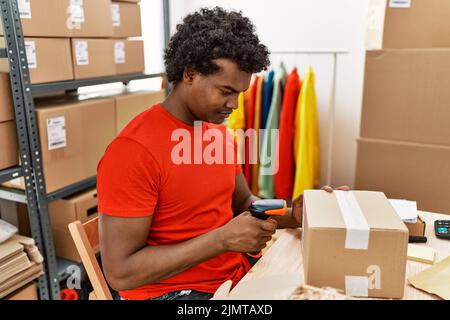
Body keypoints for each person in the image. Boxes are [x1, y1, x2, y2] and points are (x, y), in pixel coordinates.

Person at [97, 7, 349, 300]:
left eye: (240, 93)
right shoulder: (133, 151)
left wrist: (291, 214)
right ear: (189, 74)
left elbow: (243, 203)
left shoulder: (216, 132)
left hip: (232, 276)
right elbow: (120, 273)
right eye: (226, 91)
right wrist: (222, 240)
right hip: (174, 294)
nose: (235, 105)